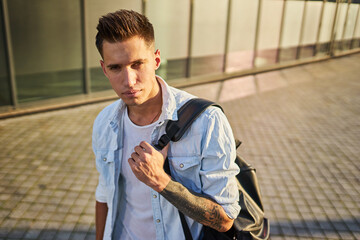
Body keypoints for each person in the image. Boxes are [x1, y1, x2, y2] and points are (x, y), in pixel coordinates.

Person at [92, 9, 240, 240]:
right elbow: (104, 195)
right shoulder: (105, 122)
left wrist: (160, 181)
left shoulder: (207, 121)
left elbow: (225, 220)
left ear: (156, 60)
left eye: (137, 64)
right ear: (104, 69)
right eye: (115, 68)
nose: (129, 81)